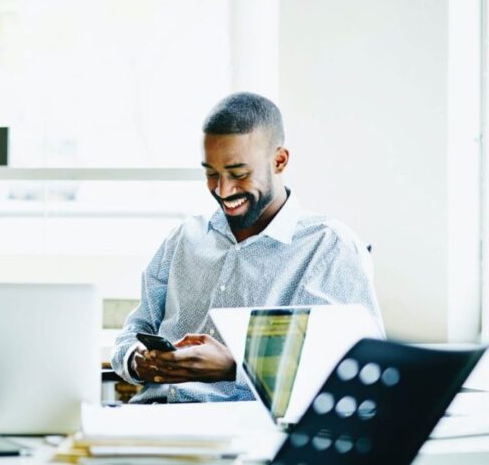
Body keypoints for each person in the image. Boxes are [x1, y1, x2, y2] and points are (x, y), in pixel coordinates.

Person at [111, 92, 383, 403]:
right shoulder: (184, 238)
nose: (223, 190)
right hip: (150, 418)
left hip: (246, 431)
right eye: (211, 174)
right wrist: (136, 359)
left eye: (239, 174)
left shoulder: (328, 247)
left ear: (279, 161)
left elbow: (357, 369)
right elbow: (135, 329)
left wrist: (234, 368)